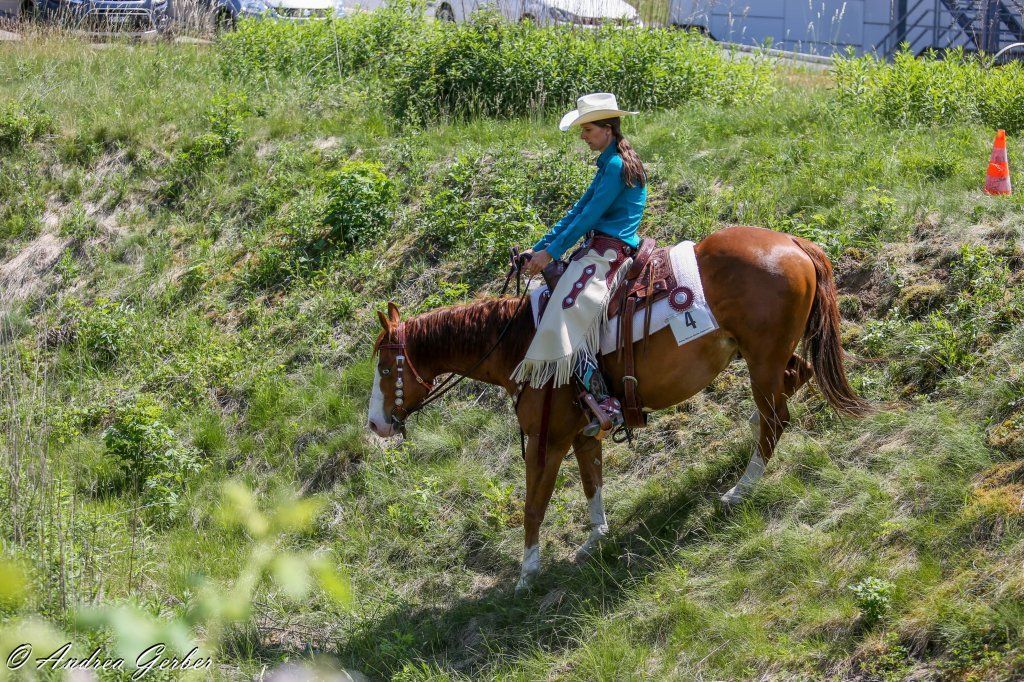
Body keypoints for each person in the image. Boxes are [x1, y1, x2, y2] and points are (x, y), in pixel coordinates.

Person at [511, 92, 648, 437]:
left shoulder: (615, 166)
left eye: (587, 129)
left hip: (608, 251)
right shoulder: (611, 162)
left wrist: (550, 255)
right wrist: (539, 248)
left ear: (606, 128)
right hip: (599, 246)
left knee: (564, 310)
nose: (583, 136)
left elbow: (588, 217)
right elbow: (576, 212)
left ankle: (606, 402)